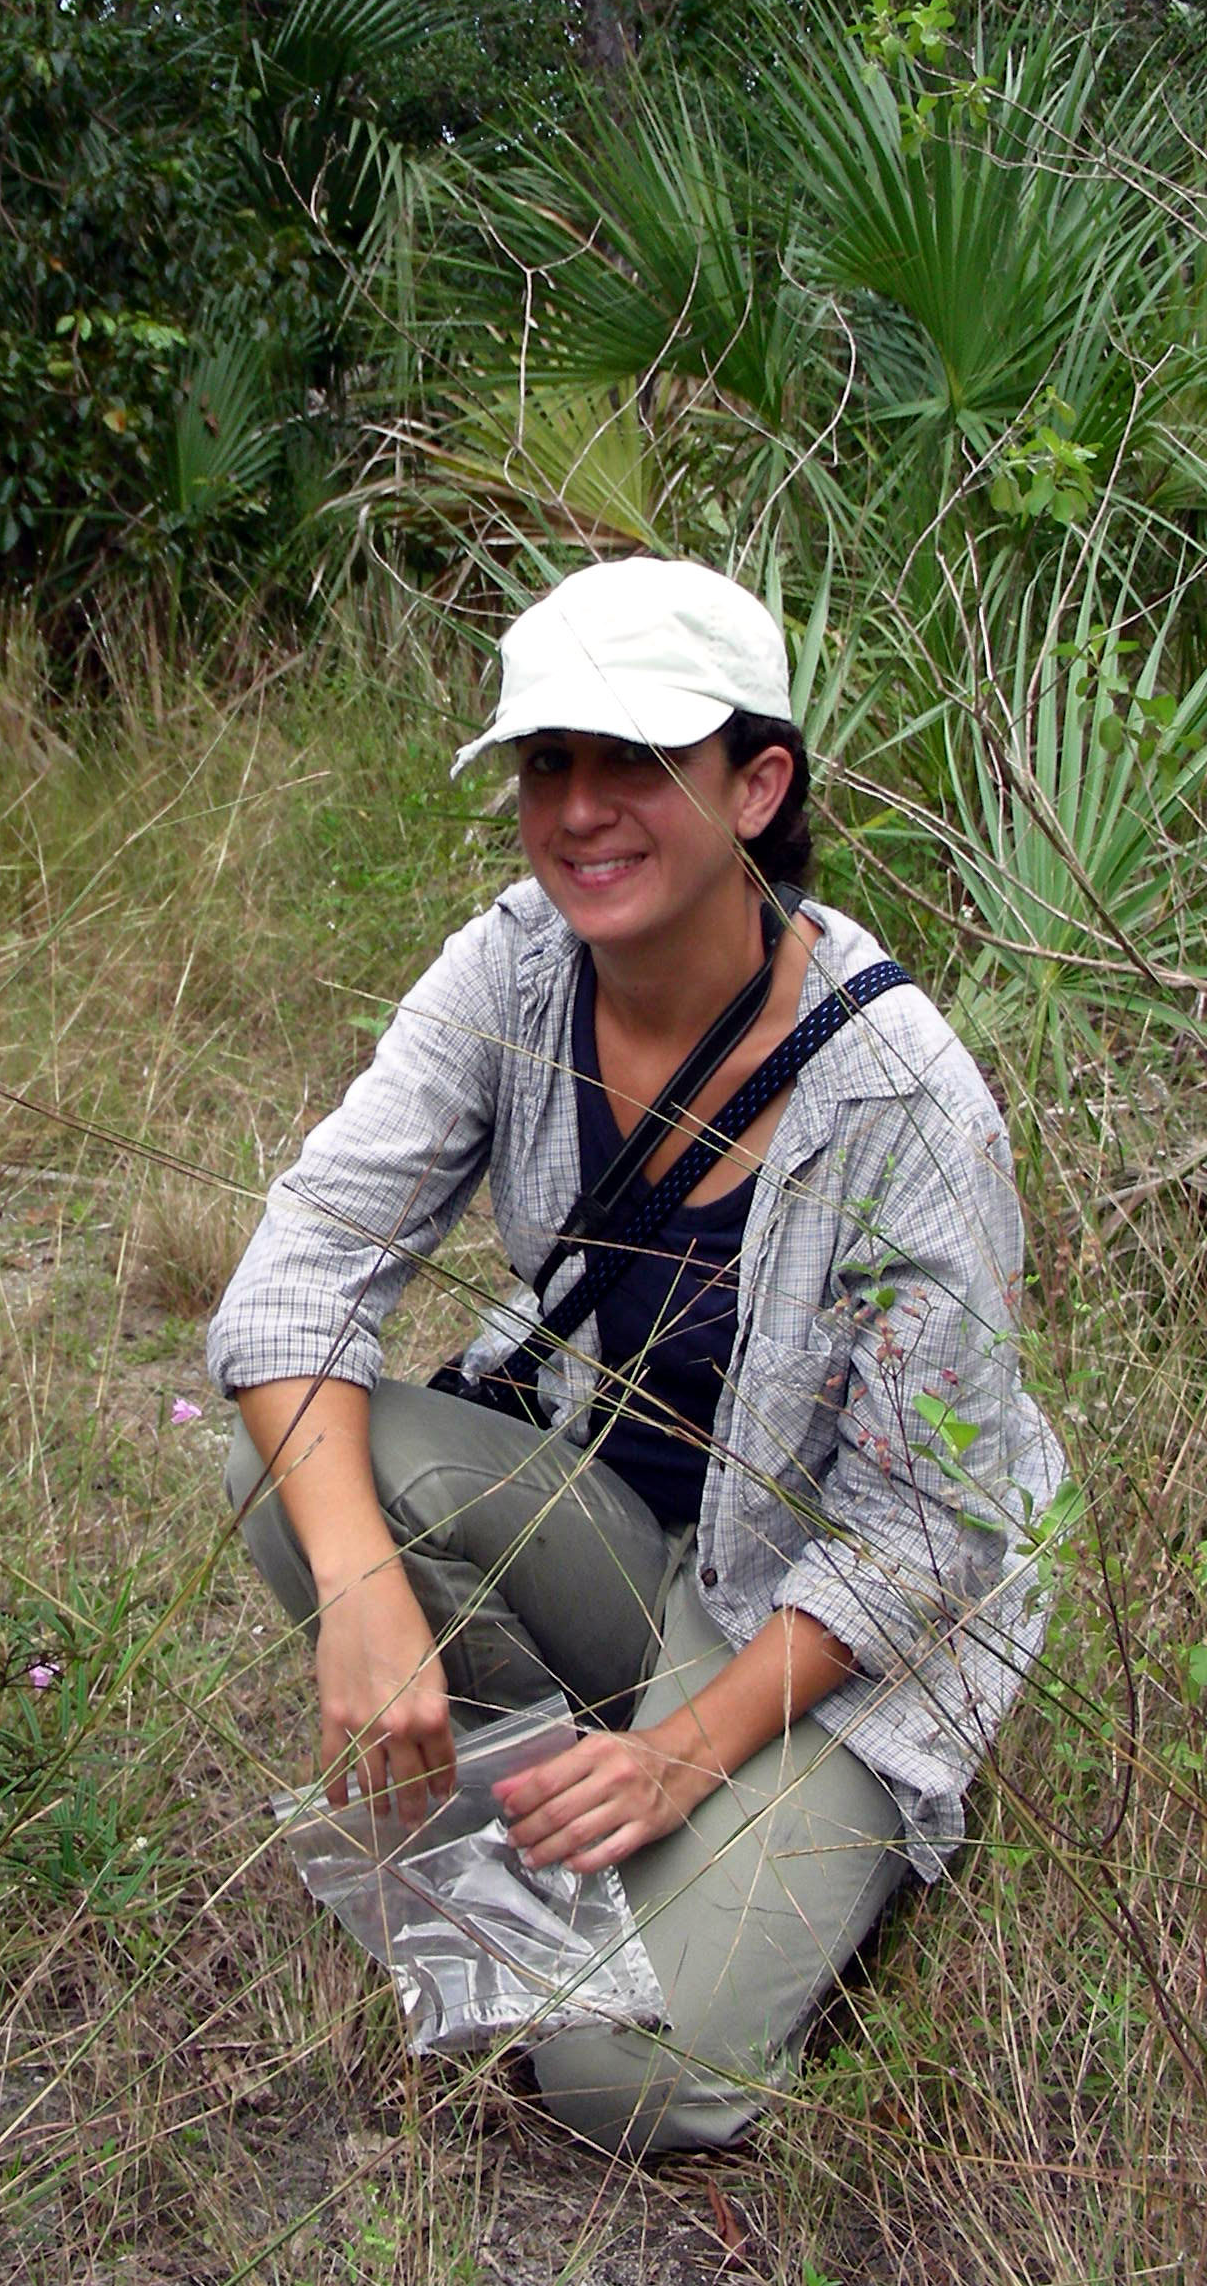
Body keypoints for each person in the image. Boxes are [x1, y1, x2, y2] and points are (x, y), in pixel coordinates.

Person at [208, 556, 1065, 2153]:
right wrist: (365, 1599)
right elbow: (296, 1277)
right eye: (550, 765)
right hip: (634, 1531)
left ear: (756, 785)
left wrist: (683, 1755)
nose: (583, 813)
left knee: (626, 2087)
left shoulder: (904, 1100)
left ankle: (774, 1836)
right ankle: (569, 1801)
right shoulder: (516, 967)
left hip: (830, 1622)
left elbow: (925, 1535)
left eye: (638, 763)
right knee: (298, 1473)